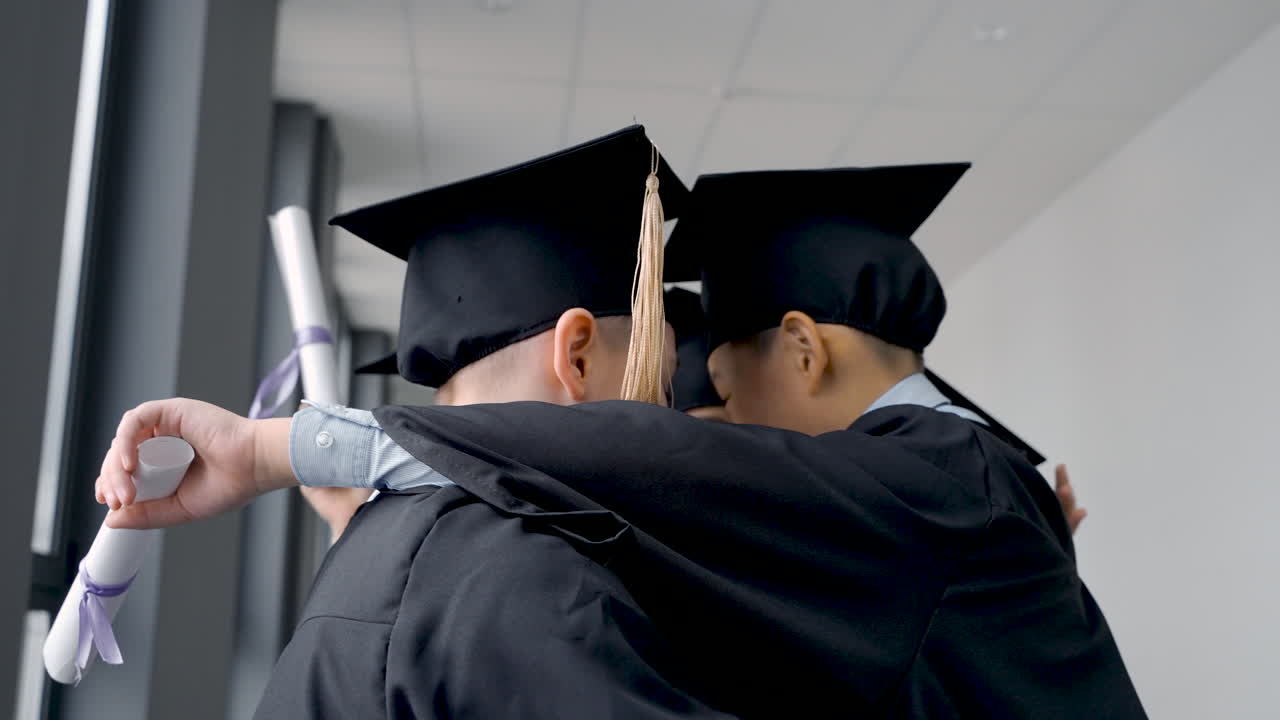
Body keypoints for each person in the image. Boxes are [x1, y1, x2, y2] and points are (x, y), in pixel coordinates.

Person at [101, 126, 739, 719]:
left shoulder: (387, 534)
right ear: (575, 356)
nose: (665, 421)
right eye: (656, 385)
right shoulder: (537, 576)